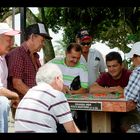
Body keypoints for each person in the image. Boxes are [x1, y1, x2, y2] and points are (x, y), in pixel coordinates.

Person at [14, 63, 80, 133]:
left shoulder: (29, 93)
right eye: (62, 80)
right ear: (57, 79)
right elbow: (72, 130)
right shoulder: (57, 95)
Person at [6, 23, 52, 118]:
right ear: (32, 37)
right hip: (23, 105)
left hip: (33, 104)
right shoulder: (17, 54)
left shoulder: (35, 56)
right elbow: (17, 83)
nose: (43, 44)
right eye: (42, 41)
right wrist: (37, 97)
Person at [49, 42, 88, 131]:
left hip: (72, 108)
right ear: (66, 53)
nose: (75, 60)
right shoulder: (54, 62)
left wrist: (70, 91)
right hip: (54, 104)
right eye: (73, 57)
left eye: (78, 58)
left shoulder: (82, 67)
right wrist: (60, 86)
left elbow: (85, 89)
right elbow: (41, 77)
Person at [89, 51, 132, 132]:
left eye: (114, 66)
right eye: (109, 66)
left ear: (121, 65)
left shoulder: (129, 75)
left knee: (126, 126)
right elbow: (92, 89)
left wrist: (123, 91)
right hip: (110, 111)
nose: (111, 69)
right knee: (99, 122)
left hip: (129, 112)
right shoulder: (106, 75)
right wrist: (111, 89)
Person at [0, 23, 19, 133]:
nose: (12, 43)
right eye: (9, 39)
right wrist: (15, 96)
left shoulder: (2, 58)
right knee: (2, 102)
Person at [124, 41, 140, 132]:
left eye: (133, 57)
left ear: (137, 57)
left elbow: (129, 97)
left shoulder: (137, 72)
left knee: (127, 124)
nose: (132, 60)